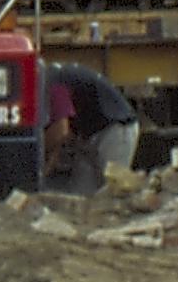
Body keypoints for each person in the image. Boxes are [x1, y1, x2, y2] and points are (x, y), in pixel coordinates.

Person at [40, 62, 139, 197]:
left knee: (112, 190)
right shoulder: (55, 78)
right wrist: (46, 168)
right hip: (88, 133)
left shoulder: (55, 82)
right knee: (81, 195)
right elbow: (62, 136)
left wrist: (40, 149)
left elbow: (61, 130)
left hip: (115, 129)